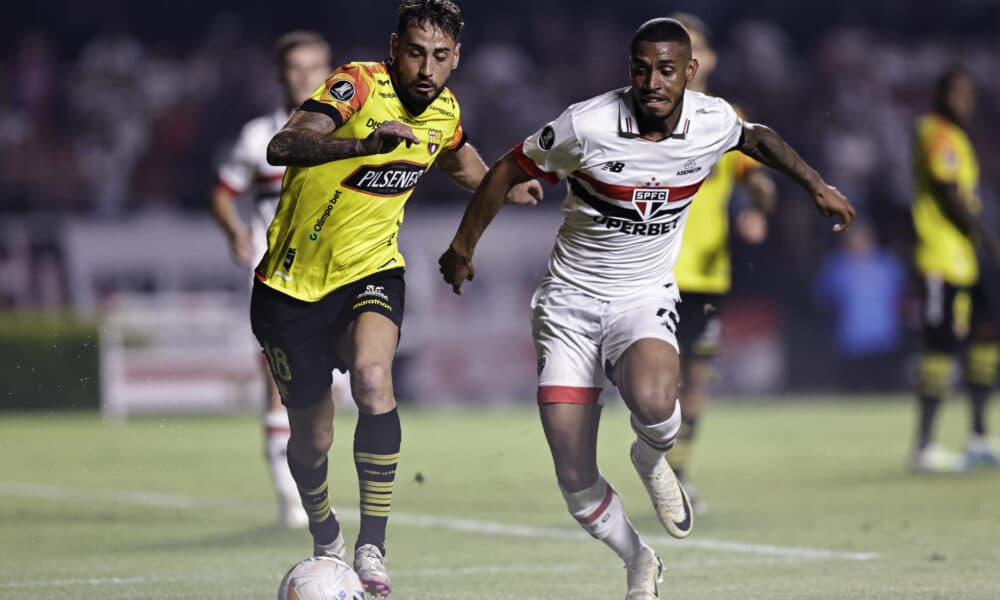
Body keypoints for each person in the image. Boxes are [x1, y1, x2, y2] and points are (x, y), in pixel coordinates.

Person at [439, 18, 854, 600]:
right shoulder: (587, 123)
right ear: (628, 70)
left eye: (665, 69)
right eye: (641, 68)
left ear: (689, 72)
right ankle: (638, 559)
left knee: (658, 403)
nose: (652, 81)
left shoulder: (711, 120)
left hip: (642, 296)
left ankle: (651, 456)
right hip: (568, 305)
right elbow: (509, 167)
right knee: (574, 476)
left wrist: (816, 185)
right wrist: (462, 247)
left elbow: (757, 137)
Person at [250, 2, 540, 596]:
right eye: (415, 52)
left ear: (456, 57)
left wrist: (502, 186)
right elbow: (283, 145)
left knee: (374, 378)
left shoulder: (446, 110)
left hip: (372, 271)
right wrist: (362, 146)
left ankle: (372, 547)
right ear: (394, 48)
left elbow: (455, 156)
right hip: (289, 288)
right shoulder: (356, 86)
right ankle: (326, 532)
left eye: (440, 56)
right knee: (313, 438)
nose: (427, 68)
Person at [211, 30, 333, 529]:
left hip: (336, 270)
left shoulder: (348, 132)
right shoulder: (257, 136)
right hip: (274, 269)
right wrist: (234, 228)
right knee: (279, 378)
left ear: (331, 73)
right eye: (295, 68)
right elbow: (223, 192)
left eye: (314, 67)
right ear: (280, 75)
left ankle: (306, 478)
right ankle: (291, 495)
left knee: (330, 387)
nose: (305, 77)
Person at [663, 13, 777, 513]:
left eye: (698, 48)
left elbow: (759, 179)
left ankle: (676, 475)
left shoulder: (728, 119)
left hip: (706, 275)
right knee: (654, 380)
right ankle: (654, 462)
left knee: (695, 378)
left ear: (708, 59)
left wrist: (756, 206)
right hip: (650, 272)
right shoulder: (648, 114)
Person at [909, 65, 1000, 472]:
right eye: (958, 92)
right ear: (943, 94)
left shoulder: (958, 137)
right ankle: (924, 445)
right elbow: (949, 195)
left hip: (965, 257)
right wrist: (987, 235)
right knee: (940, 346)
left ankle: (979, 435)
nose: (965, 101)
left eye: (969, 93)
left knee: (986, 337)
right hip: (940, 257)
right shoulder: (935, 132)